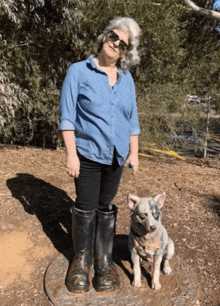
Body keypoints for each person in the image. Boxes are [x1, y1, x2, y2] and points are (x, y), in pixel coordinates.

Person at [59, 16, 141, 293]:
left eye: (122, 43)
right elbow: (67, 118)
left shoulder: (127, 80)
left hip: (117, 157)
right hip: (88, 155)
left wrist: (135, 152)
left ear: (126, 52)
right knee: (85, 205)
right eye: (113, 36)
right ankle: (80, 263)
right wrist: (72, 155)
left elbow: (132, 120)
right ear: (105, 36)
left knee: (105, 206)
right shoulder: (78, 71)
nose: (116, 43)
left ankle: (103, 262)